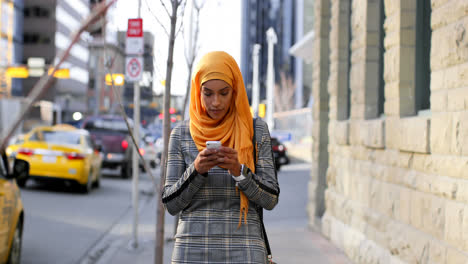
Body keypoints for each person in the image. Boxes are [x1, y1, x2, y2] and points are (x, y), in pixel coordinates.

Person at [162, 51, 279, 263]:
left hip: (246, 250)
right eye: (208, 93)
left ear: (235, 91)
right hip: (191, 250)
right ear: (198, 92)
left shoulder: (255, 131)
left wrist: (240, 172)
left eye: (224, 93)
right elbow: (171, 204)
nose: (216, 102)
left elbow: (270, 199)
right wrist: (196, 170)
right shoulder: (181, 134)